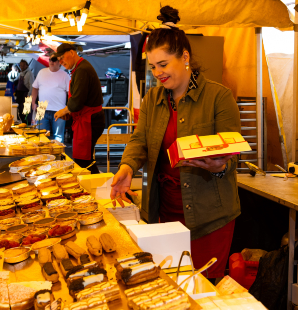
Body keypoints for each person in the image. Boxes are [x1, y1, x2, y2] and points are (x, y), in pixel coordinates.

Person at [110, 6, 241, 281]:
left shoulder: (219, 97)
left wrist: (217, 165)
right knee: (171, 280)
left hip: (209, 217)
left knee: (204, 285)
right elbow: (140, 140)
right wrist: (127, 167)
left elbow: (232, 152)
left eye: (163, 64)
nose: (157, 73)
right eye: (153, 66)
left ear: (185, 57)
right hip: (166, 212)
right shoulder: (153, 99)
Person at [53, 44, 105, 174]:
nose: (60, 62)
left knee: (83, 160)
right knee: (84, 158)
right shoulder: (79, 68)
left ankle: (94, 186)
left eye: (62, 58)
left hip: (90, 120)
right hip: (87, 119)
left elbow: (77, 102)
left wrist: (64, 111)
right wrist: (69, 113)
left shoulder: (82, 69)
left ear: (71, 52)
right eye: (58, 60)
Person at [31, 55, 70, 142]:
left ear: (59, 61)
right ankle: (43, 155)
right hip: (42, 109)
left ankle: (58, 155)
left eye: (54, 60)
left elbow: (69, 93)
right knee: (41, 137)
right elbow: (35, 88)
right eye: (50, 60)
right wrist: (33, 103)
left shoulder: (65, 75)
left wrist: (68, 108)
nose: (51, 62)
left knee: (58, 138)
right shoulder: (41, 72)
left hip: (59, 111)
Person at [16, 59, 33, 124]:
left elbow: (31, 85)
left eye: (23, 65)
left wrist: (29, 95)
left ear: (26, 65)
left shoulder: (29, 73)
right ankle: (23, 124)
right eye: (21, 65)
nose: (22, 67)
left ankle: (27, 126)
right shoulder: (21, 73)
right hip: (20, 95)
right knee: (21, 111)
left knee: (26, 112)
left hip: (26, 95)